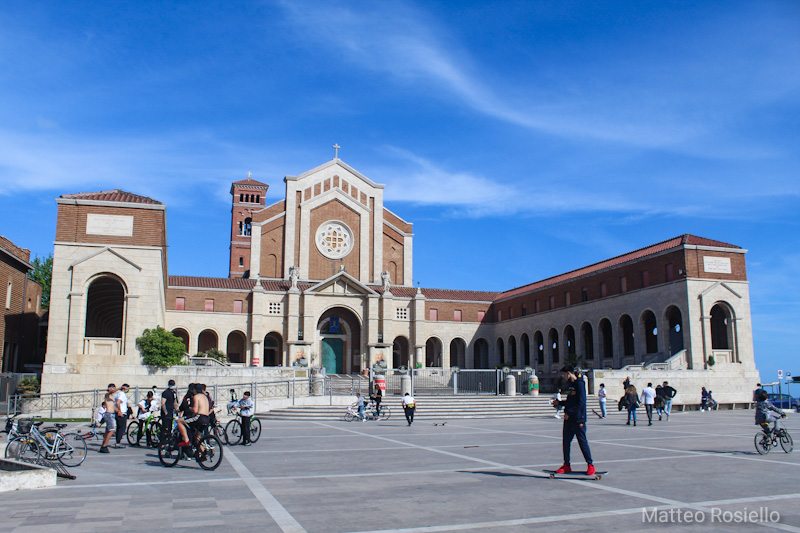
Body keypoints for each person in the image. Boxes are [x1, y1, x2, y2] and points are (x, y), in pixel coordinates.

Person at [552, 365, 595, 476]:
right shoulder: (571, 385)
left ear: (569, 373)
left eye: (564, 374)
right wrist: (559, 403)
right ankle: (566, 465)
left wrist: (570, 413)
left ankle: (590, 465)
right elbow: (570, 402)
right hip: (569, 419)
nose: (563, 376)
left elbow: (581, 403)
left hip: (578, 419)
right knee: (566, 442)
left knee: (582, 442)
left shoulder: (580, 384)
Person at [113, 383, 130, 448]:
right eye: (127, 388)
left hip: (118, 413)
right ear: (124, 388)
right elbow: (118, 402)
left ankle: (117, 442)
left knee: (119, 428)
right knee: (122, 429)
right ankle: (118, 443)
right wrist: (120, 411)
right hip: (121, 413)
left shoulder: (118, 393)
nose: (128, 389)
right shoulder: (122, 394)